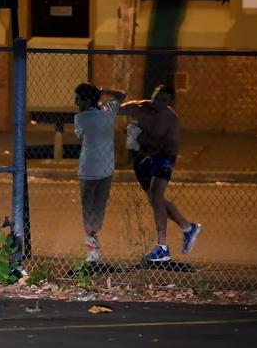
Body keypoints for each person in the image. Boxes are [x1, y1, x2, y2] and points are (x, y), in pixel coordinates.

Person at [119, 84, 202, 262]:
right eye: (156, 97)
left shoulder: (170, 118)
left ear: (170, 102)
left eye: (163, 100)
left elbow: (163, 145)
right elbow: (118, 110)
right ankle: (188, 227)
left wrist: (138, 136)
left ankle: (162, 248)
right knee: (155, 199)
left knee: (156, 196)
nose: (158, 102)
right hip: (142, 159)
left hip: (163, 158)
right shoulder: (141, 107)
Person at [73, 83, 126, 263]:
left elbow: (79, 135)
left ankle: (92, 248)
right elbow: (121, 94)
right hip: (106, 167)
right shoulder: (108, 111)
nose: (75, 102)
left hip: (88, 168)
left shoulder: (81, 118)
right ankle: (94, 239)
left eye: (78, 99)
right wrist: (104, 92)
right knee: (100, 205)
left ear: (87, 100)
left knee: (88, 207)